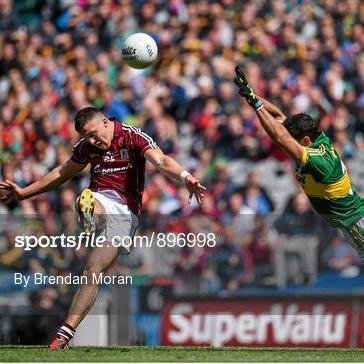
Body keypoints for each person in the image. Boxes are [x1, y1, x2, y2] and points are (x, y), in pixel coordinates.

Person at [0, 107, 205, 349]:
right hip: (100, 198)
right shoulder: (87, 148)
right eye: (87, 137)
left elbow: (160, 160)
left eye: (94, 134)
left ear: (106, 123)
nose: (93, 141)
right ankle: (61, 338)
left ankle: (66, 332)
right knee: (87, 199)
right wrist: (24, 193)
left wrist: (185, 178)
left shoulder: (132, 136)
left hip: (126, 216)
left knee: (93, 270)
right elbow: (62, 172)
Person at [233, 65, 364, 261]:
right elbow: (278, 117)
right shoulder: (315, 139)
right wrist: (251, 95)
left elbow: (280, 137)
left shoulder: (318, 161)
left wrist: (256, 105)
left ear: (305, 141)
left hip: (356, 222)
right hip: (350, 220)